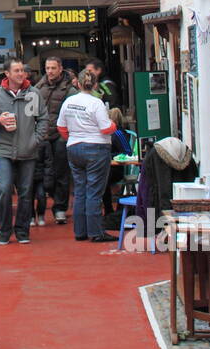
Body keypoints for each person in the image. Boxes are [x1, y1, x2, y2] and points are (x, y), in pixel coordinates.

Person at [0, 57, 48, 245]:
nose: (21, 74)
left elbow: (43, 119)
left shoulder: (33, 94)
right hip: (3, 151)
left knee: (26, 192)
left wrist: (35, 140)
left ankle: (22, 231)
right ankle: (4, 231)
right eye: (17, 71)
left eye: (22, 71)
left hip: (28, 151)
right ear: (7, 74)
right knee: (3, 190)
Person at [56, 69, 118, 242]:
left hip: (74, 148)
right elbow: (106, 128)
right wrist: (114, 123)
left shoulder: (69, 102)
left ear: (77, 83)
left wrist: (74, 138)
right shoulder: (96, 103)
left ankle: (80, 231)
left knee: (80, 191)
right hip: (96, 148)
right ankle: (96, 232)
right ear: (95, 84)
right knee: (94, 192)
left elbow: (61, 127)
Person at [33, 57, 77, 225]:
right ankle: (48, 200)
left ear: (60, 69)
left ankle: (60, 208)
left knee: (61, 172)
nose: (50, 71)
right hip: (42, 135)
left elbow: (73, 112)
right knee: (42, 172)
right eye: (47, 68)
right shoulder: (38, 88)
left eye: (53, 68)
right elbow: (31, 110)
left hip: (60, 135)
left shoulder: (69, 89)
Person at [103, 107, 134, 217]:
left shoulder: (118, 134)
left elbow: (127, 152)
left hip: (116, 169)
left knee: (104, 180)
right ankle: (107, 210)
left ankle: (108, 210)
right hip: (108, 167)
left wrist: (111, 156)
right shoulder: (112, 133)